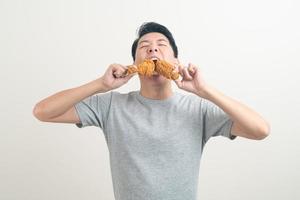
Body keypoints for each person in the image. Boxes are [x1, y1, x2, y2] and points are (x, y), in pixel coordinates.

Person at [33, 22, 270, 200]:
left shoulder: (198, 110)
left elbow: (260, 130)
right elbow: (43, 112)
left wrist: (205, 90)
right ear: (134, 64)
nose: (153, 51)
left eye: (161, 46)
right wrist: (101, 84)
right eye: (144, 47)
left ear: (176, 61)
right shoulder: (110, 106)